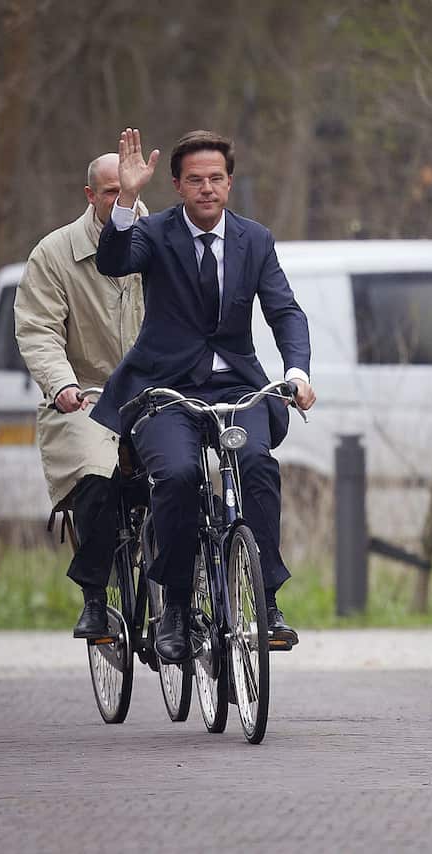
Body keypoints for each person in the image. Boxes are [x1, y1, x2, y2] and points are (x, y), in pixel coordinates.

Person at [92, 128, 316, 663]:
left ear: (230, 183)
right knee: (178, 476)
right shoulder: (154, 233)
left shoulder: (255, 240)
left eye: (216, 178)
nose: (207, 188)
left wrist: (298, 371)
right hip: (165, 388)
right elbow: (113, 261)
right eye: (195, 180)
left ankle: (267, 602)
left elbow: (284, 311)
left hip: (236, 385)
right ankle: (174, 607)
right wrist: (126, 198)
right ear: (177, 185)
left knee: (257, 464)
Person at [14, 153, 148, 638]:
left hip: (154, 393)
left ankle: (192, 592)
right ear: (91, 196)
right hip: (87, 398)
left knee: (197, 472)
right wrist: (62, 383)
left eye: (128, 190)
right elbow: (38, 330)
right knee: (96, 473)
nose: (121, 199)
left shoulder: (159, 240)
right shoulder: (53, 254)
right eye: (111, 191)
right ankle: (95, 597)